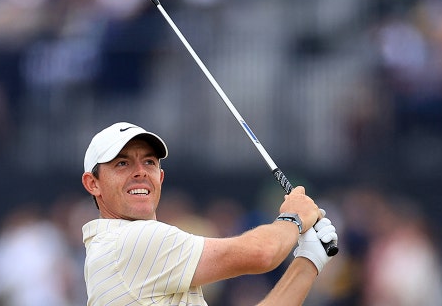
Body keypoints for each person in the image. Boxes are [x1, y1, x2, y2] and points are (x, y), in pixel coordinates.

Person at [81, 122, 338, 305]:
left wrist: (309, 260)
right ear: (93, 183)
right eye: (122, 163)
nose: (140, 172)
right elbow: (263, 253)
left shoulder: (129, 252)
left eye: (149, 162)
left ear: (160, 177)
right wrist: (293, 217)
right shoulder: (131, 241)